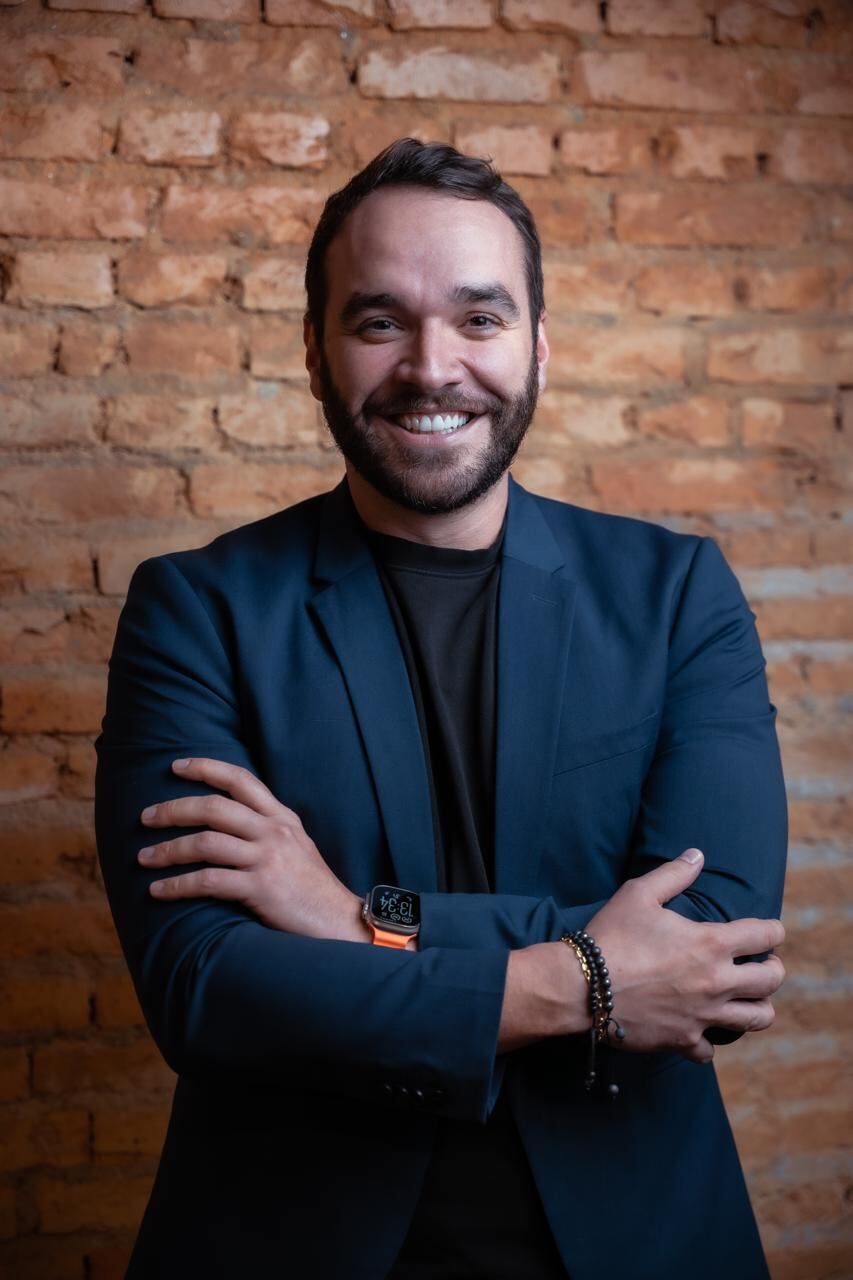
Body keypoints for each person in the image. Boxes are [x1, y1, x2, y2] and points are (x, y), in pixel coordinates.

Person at [95, 139, 788, 1280]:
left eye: (478, 318)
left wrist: (349, 919)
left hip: (638, 1239)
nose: (432, 367)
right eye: (380, 321)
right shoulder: (196, 610)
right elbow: (203, 986)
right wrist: (583, 979)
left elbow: (714, 953)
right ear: (315, 352)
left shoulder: (675, 596)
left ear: (537, 346)